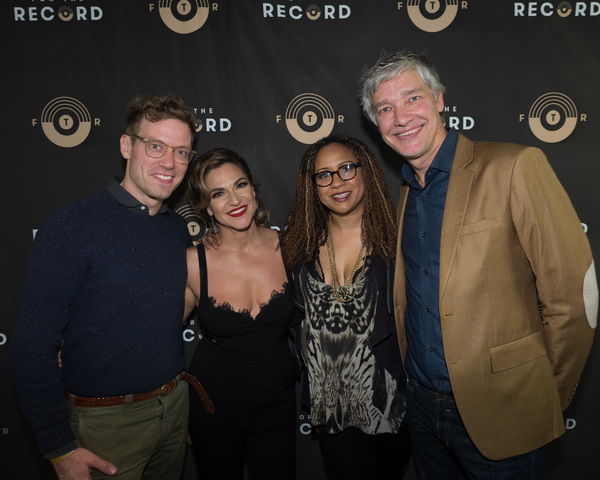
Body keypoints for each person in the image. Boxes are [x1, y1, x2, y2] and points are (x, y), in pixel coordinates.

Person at [359, 50, 598, 479]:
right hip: (424, 413)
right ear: (377, 124)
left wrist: (543, 395)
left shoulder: (514, 166)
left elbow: (575, 296)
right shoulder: (406, 193)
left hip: (505, 411)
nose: (400, 118)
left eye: (412, 98)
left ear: (439, 100)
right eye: (385, 109)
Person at [11, 94, 201, 480]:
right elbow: (32, 348)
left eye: (182, 152)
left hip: (174, 407)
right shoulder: (69, 227)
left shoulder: (176, 229)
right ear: (126, 146)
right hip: (104, 424)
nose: (170, 162)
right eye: (156, 146)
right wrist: (59, 449)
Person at [279, 135, 412, 480]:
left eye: (346, 169)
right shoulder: (297, 248)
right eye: (324, 175)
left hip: (392, 405)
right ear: (313, 186)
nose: (336, 181)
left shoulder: (398, 241)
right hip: (330, 409)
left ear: (365, 171)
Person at [184, 147, 297, 480]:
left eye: (240, 185)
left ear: (254, 189)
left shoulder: (291, 247)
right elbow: (157, 329)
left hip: (277, 405)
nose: (234, 200)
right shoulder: (193, 261)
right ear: (206, 206)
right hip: (212, 408)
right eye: (219, 193)